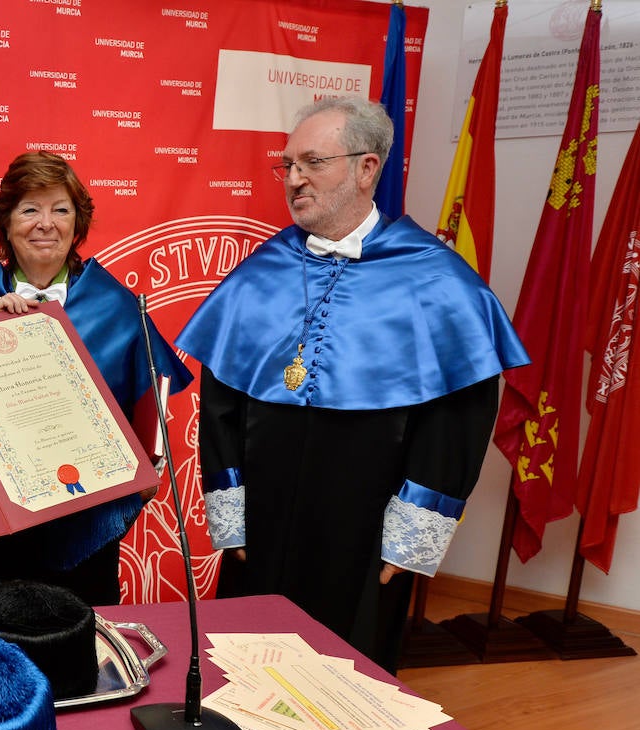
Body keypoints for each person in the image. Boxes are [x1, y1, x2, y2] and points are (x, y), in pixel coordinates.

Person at [175, 96, 529, 673]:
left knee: (348, 673)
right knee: (244, 657)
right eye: (287, 165)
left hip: (367, 522)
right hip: (262, 517)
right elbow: (220, 401)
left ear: (368, 168)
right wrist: (230, 509)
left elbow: (456, 418)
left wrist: (416, 529)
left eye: (312, 163)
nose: (293, 180)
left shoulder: (437, 281)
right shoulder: (260, 272)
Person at [0, 152, 193, 609]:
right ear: (6, 222)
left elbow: (153, 392)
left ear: (78, 223)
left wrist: (149, 463)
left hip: (83, 525)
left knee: (77, 656)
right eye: (29, 209)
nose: (45, 223)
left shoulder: (117, 307)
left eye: (61, 209)